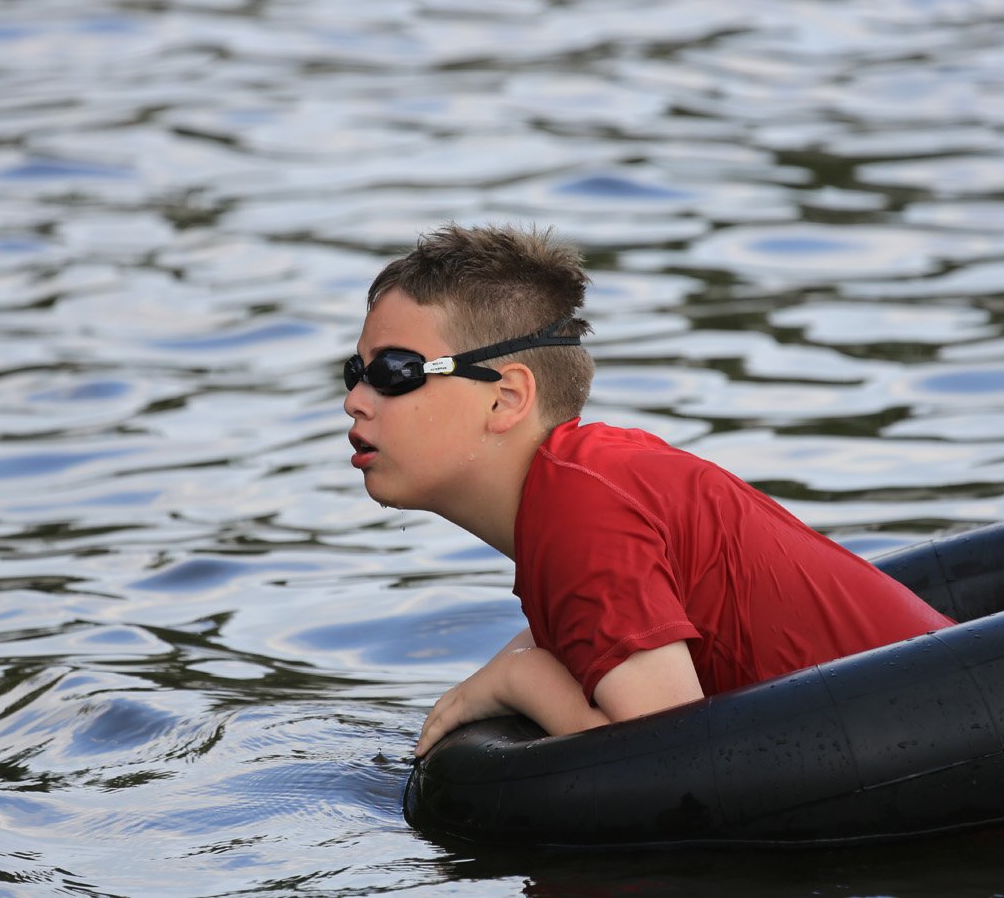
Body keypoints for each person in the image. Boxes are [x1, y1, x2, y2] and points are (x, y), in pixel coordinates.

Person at [341, 223, 954, 759]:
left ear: (506, 398)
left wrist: (518, 680)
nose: (355, 400)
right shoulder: (587, 481)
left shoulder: (581, 507)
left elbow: (666, 755)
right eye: (356, 372)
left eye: (395, 371)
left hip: (943, 733)